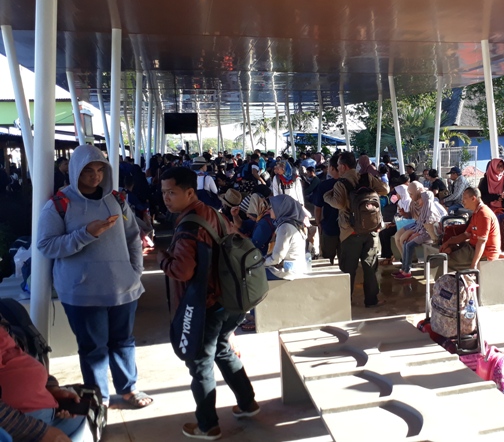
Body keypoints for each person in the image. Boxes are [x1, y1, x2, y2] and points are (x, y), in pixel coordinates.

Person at [36, 144, 152, 409]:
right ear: (75, 170)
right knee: (93, 348)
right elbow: (47, 245)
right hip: (82, 292)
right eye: (88, 170)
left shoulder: (117, 199)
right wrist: (86, 233)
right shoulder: (59, 205)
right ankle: (99, 397)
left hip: (123, 287)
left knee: (124, 342)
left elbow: (133, 236)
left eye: (100, 169)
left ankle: (128, 389)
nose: (95, 176)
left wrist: (135, 270)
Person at [158, 167, 258, 440]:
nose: (166, 198)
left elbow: (182, 271)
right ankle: (247, 403)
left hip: (206, 304)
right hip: (230, 299)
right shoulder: (212, 212)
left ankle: (207, 425)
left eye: (172, 192)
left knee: (200, 363)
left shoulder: (189, 226)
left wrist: (162, 259)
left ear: (190, 192)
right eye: (164, 192)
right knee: (222, 349)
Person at [0, 324, 88, 442]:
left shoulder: (5, 326)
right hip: (18, 423)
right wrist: (39, 432)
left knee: (84, 417)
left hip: (43, 412)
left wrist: (52, 389)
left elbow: (24, 362)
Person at [324, 152, 390, 307]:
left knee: (348, 268)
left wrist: (327, 196)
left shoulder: (341, 184)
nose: (337, 168)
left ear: (343, 166)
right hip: (371, 230)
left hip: (350, 232)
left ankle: (345, 301)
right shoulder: (367, 178)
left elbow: (338, 203)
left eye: (338, 165)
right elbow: (385, 190)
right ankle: (372, 300)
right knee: (370, 267)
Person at [439, 187, 501, 271]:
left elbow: (481, 242)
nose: (462, 201)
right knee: (447, 251)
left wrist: (473, 265)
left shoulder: (484, 214)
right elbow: (466, 235)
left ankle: (447, 279)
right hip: (472, 247)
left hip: (485, 253)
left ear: (473, 199)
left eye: (464, 198)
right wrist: (448, 243)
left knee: (445, 261)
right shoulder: (476, 212)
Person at [393, 190, 447, 279]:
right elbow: (420, 224)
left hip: (427, 235)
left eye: (420, 198)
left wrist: (415, 235)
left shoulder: (430, 211)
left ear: (425, 199)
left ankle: (407, 271)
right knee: (406, 243)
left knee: (409, 245)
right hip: (422, 232)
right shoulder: (425, 209)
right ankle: (404, 268)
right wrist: (414, 233)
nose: (418, 201)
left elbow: (427, 228)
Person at [262, 195, 310, 279]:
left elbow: (276, 258)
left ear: (281, 209)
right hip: (296, 269)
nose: (269, 210)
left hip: (288, 272)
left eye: (272, 207)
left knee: (251, 274)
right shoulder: (294, 224)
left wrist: (259, 263)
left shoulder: (285, 227)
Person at [311, 155, 341, 265]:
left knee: (328, 258)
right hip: (347, 227)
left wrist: (318, 223)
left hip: (329, 225)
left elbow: (318, 208)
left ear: (332, 168)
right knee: (345, 259)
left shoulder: (324, 185)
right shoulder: (351, 183)